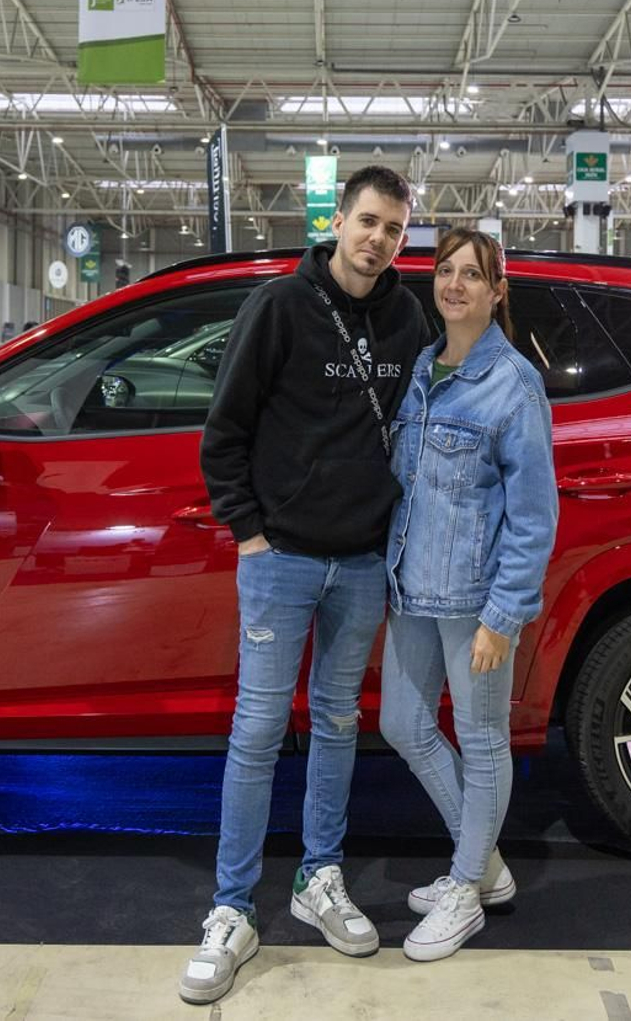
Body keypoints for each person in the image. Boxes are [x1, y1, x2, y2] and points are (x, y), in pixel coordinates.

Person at [182, 166, 429, 1005]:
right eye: (367, 222)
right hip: (281, 556)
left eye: (394, 229)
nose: (378, 240)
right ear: (336, 220)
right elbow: (225, 433)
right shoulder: (280, 308)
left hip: (361, 563)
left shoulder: (406, 318)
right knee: (256, 728)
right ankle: (229, 907)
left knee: (334, 722)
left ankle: (319, 876)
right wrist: (250, 533)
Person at [378, 228, 558, 963]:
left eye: (472, 275)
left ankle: (463, 886)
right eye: (445, 271)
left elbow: (534, 515)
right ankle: (481, 863)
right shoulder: (424, 367)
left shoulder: (512, 384)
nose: (454, 284)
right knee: (402, 722)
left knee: (482, 740)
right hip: (411, 587)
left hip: (474, 599)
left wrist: (503, 616)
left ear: (496, 291)